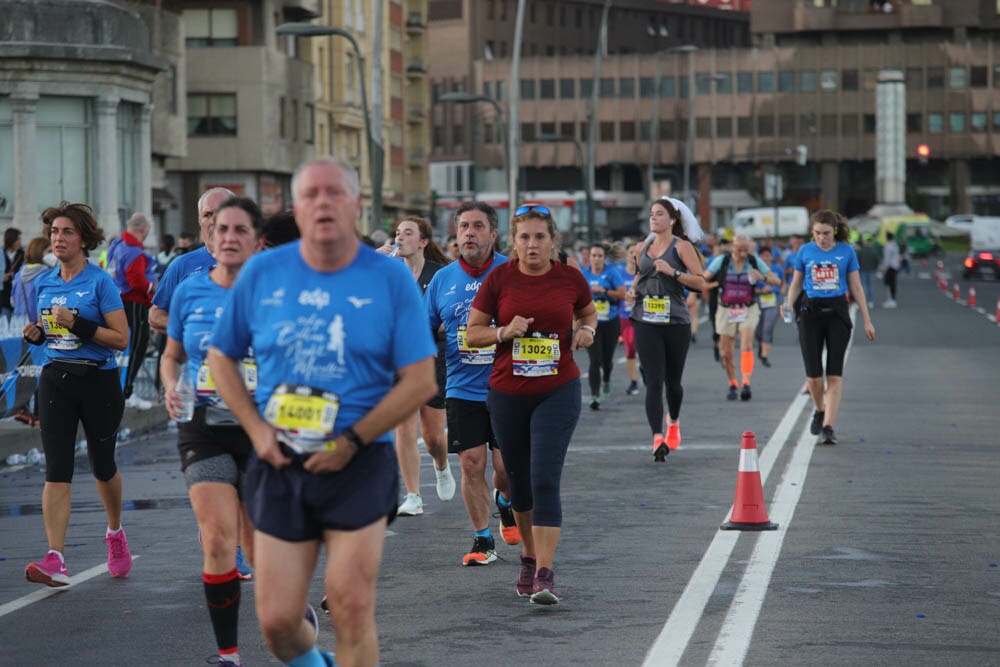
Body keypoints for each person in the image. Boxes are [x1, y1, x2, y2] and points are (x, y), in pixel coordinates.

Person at [208, 157, 437, 667]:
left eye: (335, 193)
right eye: (311, 195)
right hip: (281, 460)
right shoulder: (265, 272)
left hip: (359, 460)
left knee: (353, 606)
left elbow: (421, 380)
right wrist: (257, 432)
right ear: (295, 208)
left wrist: (351, 440)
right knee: (278, 624)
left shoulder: (389, 278)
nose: (323, 203)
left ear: (355, 205)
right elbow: (221, 358)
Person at [465, 204, 597, 605]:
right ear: (513, 242)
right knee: (518, 482)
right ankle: (527, 554)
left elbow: (588, 312)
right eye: (524, 237)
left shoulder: (570, 278)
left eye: (540, 237)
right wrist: (504, 331)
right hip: (507, 394)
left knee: (543, 477)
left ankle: (544, 572)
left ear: (552, 241)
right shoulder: (499, 279)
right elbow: (473, 333)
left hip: (557, 390)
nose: (532, 244)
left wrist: (586, 329)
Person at [160, 197, 261, 666]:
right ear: (210, 235)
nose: (229, 237)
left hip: (264, 427)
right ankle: (229, 654)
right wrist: (168, 386)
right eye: (221, 228)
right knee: (219, 538)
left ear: (257, 240)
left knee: (262, 543)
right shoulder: (189, 290)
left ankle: (286, 607)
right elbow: (172, 354)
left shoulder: (277, 294)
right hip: (205, 426)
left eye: (240, 229)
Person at [21, 202, 131, 587]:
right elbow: (48, 328)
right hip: (56, 380)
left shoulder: (100, 282)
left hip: (98, 381)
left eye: (67, 232)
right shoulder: (44, 283)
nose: (58, 238)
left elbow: (121, 339)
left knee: (103, 465)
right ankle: (56, 557)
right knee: (57, 469)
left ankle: (115, 533)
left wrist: (81, 324)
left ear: (84, 239)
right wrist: (37, 332)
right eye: (54, 232)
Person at [425, 201, 519, 565]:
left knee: (506, 469)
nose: (469, 233)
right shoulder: (443, 280)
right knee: (470, 463)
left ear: (493, 234)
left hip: (508, 385)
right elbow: (421, 328)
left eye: (478, 226)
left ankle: (506, 501)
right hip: (462, 387)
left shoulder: (512, 272)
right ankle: (483, 540)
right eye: (464, 226)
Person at [378, 216, 455, 516]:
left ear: (423, 242)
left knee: (434, 436)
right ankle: (413, 496)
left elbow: (449, 316)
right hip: (399, 358)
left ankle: (442, 465)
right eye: (397, 232)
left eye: (408, 233)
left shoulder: (441, 274)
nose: (400, 237)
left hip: (435, 356)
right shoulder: (388, 271)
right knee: (405, 427)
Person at [785, 210, 875, 445]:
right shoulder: (805, 251)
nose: (821, 238)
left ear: (834, 231)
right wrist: (787, 304)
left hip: (837, 312)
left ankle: (828, 426)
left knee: (834, 374)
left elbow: (856, 287)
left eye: (825, 233)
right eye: (817, 233)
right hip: (810, 312)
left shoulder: (846, 252)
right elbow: (795, 284)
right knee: (814, 377)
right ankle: (819, 408)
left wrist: (866, 319)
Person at [628, 198, 706, 462]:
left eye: (659, 214)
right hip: (645, 320)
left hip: (675, 322)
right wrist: (631, 290)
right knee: (653, 380)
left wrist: (674, 273)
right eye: (651, 214)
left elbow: (701, 283)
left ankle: (673, 421)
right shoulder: (643, 246)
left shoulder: (682, 247)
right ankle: (656, 437)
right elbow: (640, 275)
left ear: (672, 219)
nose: (653, 219)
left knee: (673, 383)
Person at [703, 235, 781, 402]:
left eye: (746, 250)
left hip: (748, 307)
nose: (743, 254)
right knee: (726, 353)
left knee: (746, 344)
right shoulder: (722, 261)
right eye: (739, 250)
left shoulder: (754, 261)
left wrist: (762, 277)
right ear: (732, 248)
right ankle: (733, 383)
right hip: (726, 309)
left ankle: (746, 383)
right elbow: (704, 278)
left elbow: (777, 280)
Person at [149, 188, 234, 333]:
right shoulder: (182, 265)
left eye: (220, 212)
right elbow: (156, 314)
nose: (213, 220)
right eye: (207, 215)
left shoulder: (254, 263)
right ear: (200, 221)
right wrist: (190, 326)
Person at [106, 212, 158, 410]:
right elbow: (135, 281)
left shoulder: (117, 244)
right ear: (143, 230)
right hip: (134, 303)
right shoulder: (134, 251)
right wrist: (153, 288)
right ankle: (127, 391)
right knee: (137, 346)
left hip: (117, 301)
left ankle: (122, 389)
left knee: (123, 348)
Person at [580, 243, 626, 410]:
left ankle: (606, 378)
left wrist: (605, 292)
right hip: (591, 324)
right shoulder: (584, 275)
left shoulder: (611, 273)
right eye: (593, 256)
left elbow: (623, 293)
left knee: (606, 360)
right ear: (589, 258)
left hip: (610, 321)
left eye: (599, 256)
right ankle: (594, 396)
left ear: (604, 258)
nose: (596, 259)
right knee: (595, 360)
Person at [753, 245, 785, 368]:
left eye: (768, 255)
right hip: (758, 301)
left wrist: (781, 289)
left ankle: (765, 355)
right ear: (759, 257)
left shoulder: (777, 268)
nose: (766, 258)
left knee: (767, 327)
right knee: (758, 330)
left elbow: (783, 283)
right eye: (763, 255)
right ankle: (762, 345)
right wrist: (761, 290)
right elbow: (751, 286)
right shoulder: (755, 269)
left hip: (774, 300)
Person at [620, 242, 642, 395]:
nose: (633, 255)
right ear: (627, 254)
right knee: (630, 348)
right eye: (631, 252)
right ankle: (633, 381)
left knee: (645, 349)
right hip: (625, 317)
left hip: (642, 317)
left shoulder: (644, 273)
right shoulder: (619, 273)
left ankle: (644, 368)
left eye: (636, 252)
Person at [3, 226, 24, 317]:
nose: (20, 242)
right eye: (18, 239)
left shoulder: (23, 255)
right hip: (3, 296)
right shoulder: (1, 253)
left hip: (17, 297)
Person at [856, 234, 881, 306]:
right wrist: (875, 268)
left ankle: (863, 301)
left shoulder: (861, 251)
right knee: (870, 286)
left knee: (863, 286)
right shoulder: (874, 251)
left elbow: (858, 260)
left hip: (862, 270)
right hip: (871, 270)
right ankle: (870, 301)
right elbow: (877, 260)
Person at [880, 231, 901, 308]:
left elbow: (887, 259)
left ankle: (890, 300)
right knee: (893, 284)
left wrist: (883, 269)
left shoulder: (887, 246)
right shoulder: (895, 245)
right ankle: (893, 299)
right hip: (895, 266)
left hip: (889, 267)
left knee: (888, 284)